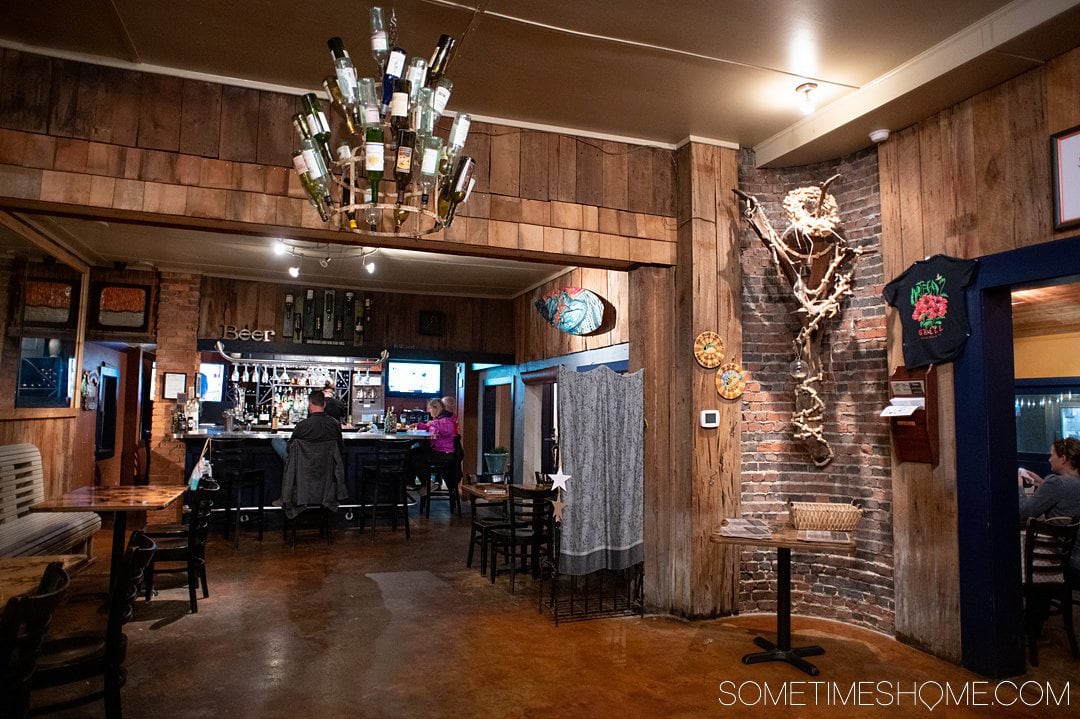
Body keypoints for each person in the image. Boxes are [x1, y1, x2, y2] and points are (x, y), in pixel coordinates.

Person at [1018, 437, 1080, 579]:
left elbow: (1023, 512)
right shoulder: (1072, 481)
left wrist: (1019, 487)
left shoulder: (1056, 483)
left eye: (1052, 455)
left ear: (1063, 458)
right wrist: (1042, 483)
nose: (1049, 459)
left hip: (1067, 561)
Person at [279, 391, 347, 519]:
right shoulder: (335, 425)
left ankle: (286, 495)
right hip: (326, 477)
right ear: (325, 404)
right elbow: (341, 449)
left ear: (309, 404)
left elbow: (290, 449)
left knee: (276, 442)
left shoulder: (301, 426)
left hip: (302, 476)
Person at [409, 398, 458, 496]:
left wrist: (432, 423)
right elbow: (429, 427)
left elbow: (446, 430)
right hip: (438, 450)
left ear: (436, 408)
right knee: (413, 452)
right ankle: (415, 483)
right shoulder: (439, 419)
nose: (429, 411)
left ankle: (427, 483)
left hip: (444, 453)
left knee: (416, 456)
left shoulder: (446, 419)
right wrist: (419, 425)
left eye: (430, 408)